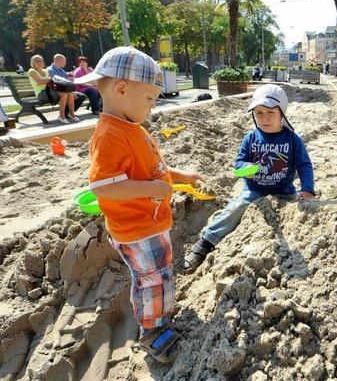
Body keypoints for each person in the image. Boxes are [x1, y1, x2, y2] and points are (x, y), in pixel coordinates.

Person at [77, 46, 202, 363]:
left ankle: (161, 311)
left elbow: (151, 171)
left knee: (159, 274)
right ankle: (152, 333)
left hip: (151, 224)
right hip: (136, 229)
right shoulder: (110, 135)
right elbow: (103, 187)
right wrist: (151, 189)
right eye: (149, 98)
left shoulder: (133, 129)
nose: (153, 105)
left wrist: (178, 175)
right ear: (122, 89)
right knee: (150, 280)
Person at [184, 84, 315, 273]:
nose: (264, 118)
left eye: (270, 112)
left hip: (285, 193)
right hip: (254, 191)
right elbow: (238, 166)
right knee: (235, 208)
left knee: (305, 214)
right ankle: (206, 241)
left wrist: (308, 189)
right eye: (259, 113)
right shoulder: (251, 139)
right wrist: (246, 169)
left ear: (282, 114)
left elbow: (304, 165)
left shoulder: (293, 140)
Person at [27, 54, 80, 124]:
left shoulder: (45, 71)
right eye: (37, 61)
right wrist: (51, 79)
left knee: (70, 94)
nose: (39, 62)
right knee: (63, 95)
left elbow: (50, 81)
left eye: (41, 61)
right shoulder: (32, 71)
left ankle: (72, 114)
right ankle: (62, 116)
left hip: (50, 91)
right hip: (41, 93)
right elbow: (39, 81)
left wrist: (51, 80)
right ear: (33, 63)